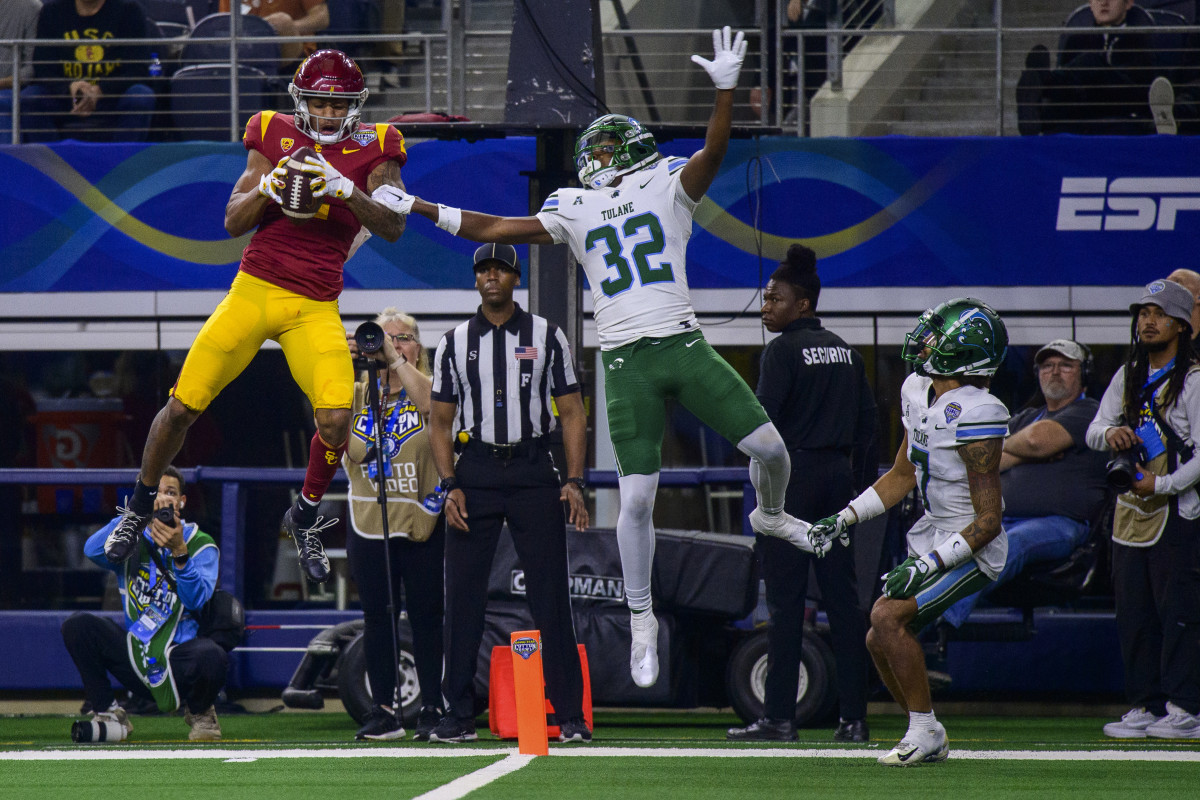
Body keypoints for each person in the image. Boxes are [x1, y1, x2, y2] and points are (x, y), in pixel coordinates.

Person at [378, 26, 823, 690]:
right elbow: (497, 229)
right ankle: (641, 621)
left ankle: (769, 512)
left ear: (637, 150)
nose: (606, 155)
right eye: (600, 146)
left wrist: (726, 91)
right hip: (626, 360)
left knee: (773, 453)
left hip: (682, 341)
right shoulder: (574, 205)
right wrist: (417, 204)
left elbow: (714, 150)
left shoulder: (669, 184)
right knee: (638, 500)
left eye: (615, 145)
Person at [102, 49, 408, 586]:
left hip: (315, 304)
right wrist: (267, 186)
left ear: (355, 107)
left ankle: (306, 516)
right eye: (318, 102)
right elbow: (232, 219)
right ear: (301, 101)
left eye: (338, 105)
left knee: (337, 420)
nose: (328, 114)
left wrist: (346, 191)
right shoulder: (272, 131)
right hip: (255, 289)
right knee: (181, 408)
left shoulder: (377, 148)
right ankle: (137, 505)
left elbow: (393, 225)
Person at [810, 297, 1010, 765]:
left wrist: (926, 564)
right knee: (877, 636)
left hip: (973, 546)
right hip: (934, 531)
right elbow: (902, 474)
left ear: (962, 350)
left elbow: (988, 521)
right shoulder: (918, 391)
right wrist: (847, 516)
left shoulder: (979, 412)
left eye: (936, 335)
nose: (923, 342)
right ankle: (926, 728)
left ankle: (923, 729)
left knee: (885, 618)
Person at [427, 243, 591, 744]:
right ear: (476, 280)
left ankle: (569, 717)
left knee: (549, 594)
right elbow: (439, 420)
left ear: (515, 278)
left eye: (500, 269)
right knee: (463, 597)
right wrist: (450, 482)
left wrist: (574, 479)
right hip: (474, 468)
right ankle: (457, 715)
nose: (491, 276)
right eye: (483, 270)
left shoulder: (547, 335)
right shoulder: (454, 342)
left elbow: (572, 412)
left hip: (531, 467)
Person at [727, 244, 876, 743]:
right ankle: (854, 720)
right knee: (844, 602)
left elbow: (761, 424)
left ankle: (780, 719)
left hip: (790, 481)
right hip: (838, 480)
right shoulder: (848, 353)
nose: (766, 306)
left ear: (803, 304)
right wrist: (855, 488)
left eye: (774, 299)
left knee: (787, 605)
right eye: (765, 298)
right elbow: (868, 428)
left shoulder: (781, 351)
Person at [1087, 279, 1200, 739]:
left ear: (1180, 325)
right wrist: (1111, 435)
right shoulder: (1128, 374)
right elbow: (1095, 429)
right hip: (1131, 509)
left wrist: (1165, 483)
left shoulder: (1193, 380)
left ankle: (1185, 709)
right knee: (1134, 612)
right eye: (1143, 313)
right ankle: (1144, 706)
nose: (1147, 322)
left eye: (1158, 314)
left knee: (1177, 610)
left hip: (1179, 511)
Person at [940, 338, 1109, 628]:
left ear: (1084, 375)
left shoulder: (1092, 412)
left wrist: (1017, 448)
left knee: (1006, 543)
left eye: (1066, 366)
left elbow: (1035, 440)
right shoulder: (1027, 417)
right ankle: (900, 615)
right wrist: (1030, 456)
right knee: (948, 542)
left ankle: (934, 620)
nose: (1054, 372)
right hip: (1004, 519)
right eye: (1047, 366)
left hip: (1061, 524)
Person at [62, 467, 227, 742]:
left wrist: (179, 552)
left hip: (179, 659)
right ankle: (107, 711)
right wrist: (134, 515)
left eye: (170, 493)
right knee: (78, 626)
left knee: (212, 655)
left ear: (182, 502)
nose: (162, 500)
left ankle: (200, 711)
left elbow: (196, 599)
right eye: (155, 493)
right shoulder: (127, 541)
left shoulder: (201, 544)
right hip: (136, 654)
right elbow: (91, 550)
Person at [343, 307, 445, 741]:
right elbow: (334, 437)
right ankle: (383, 710)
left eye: (401, 337)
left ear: (417, 346)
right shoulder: (355, 392)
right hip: (370, 516)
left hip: (422, 515)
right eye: (382, 337)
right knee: (377, 617)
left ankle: (433, 707)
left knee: (426, 615)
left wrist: (396, 361)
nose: (390, 344)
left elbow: (434, 412)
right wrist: (339, 358)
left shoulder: (432, 385)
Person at [1016, 0, 1196, 135]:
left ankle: (1043, 79)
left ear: (1128, 3)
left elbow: (1141, 79)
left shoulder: (1140, 38)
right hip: (1086, 103)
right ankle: (1038, 102)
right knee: (1073, 83)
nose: (1104, 2)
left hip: (1125, 97)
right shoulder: (1076, 40)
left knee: (1090, 63)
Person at [4, 0, 156, 142]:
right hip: (66, 97)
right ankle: (54, 164)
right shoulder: (52, 11)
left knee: (141, 96)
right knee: (30, 98)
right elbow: (43, 67)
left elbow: (138, 68)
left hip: (112, 96)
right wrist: (69, 87)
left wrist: (101, 89)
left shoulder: (130, 11)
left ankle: (122, 164)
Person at [218, 0, 329, 66]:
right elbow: (223, 25)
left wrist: (288, 28)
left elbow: (322, 18)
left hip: (294, 55)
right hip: (245, 52)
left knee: (281, 21)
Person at [0, 0, 39, 137]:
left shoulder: (30, 8)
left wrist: (3, 83)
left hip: (8, 89)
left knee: (3, 105)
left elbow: (32, 68)